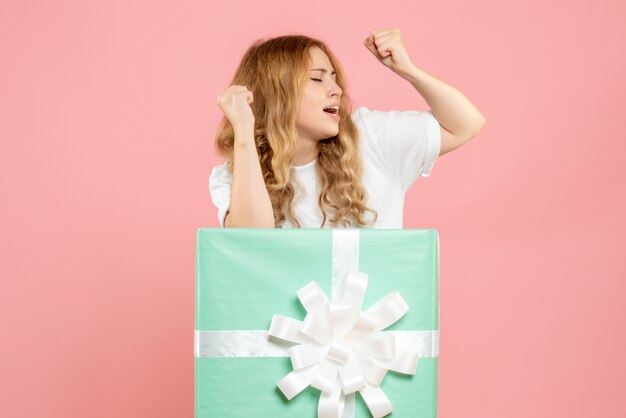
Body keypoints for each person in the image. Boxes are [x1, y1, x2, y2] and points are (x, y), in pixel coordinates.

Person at [210, 29, 486, 229]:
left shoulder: (371, 136)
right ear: (276, 95)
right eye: (317, 79)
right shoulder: (236, 175)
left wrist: (408, 69)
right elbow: (250, 243)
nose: (336, 90)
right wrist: (244, 130)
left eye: (334, 78)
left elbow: (467, 124)